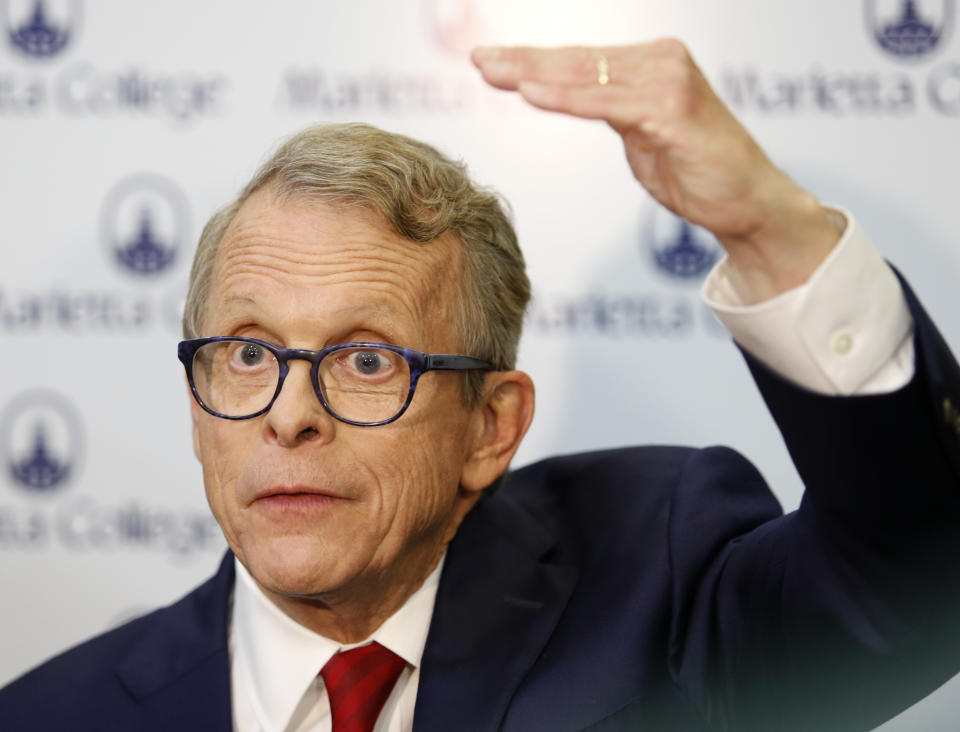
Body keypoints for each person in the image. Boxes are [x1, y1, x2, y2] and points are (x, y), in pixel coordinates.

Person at [2, 40, 959, 732]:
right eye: (249, 354)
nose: (288, 417)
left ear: (491, 428)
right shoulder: (52, 714)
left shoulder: (659, 592)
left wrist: (768, 230)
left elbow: (919, 588)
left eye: (366, 360)